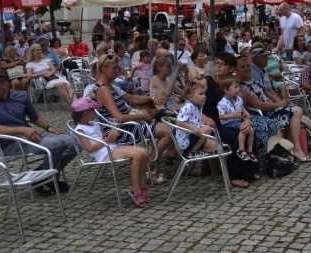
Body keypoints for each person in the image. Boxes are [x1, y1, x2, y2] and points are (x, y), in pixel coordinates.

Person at [0, 72, 77, 195]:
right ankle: (49, 178)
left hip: (29, 136)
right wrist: (22, 130)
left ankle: (41, 175)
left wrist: (48, 127)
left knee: (75, 142)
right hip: (9, 143)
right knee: (56, 144)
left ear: (5, 85)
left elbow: (34, 117)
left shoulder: (21, 96)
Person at [91, 53, 173, 183]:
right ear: (103, 69)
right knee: (168, 131)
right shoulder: (103, 90)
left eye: (118, 68)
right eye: (114, 68)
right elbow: (119, 118)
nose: (117, 71)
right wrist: (143, 116)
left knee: (168, 128)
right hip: (120, 131)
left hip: (126, 126)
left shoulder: (109, 86)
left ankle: (150, 164)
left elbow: (131, 98)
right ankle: (150, 165)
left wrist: (152, 98)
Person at [71, 97, 151, 207]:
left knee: (144, 152)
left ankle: (142, 185)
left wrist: (110, 138)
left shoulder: (93, 123)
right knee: (136, 155)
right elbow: (89, 148)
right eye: (93, 110)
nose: (96, 112)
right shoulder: (80, 129)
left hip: (110, 147)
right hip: (102, 153)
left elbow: (100, 137)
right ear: (85, 115)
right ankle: (135, 188)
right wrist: (107, 140)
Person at [201, 55, 259, 188]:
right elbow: (191, 102)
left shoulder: (233, 84)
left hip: (231, 121)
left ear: (231, 68)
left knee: (248, 130)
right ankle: (235, 175)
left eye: (222, 64)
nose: (218, 66)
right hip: (213, 123)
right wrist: (203, 117)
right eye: (217, 63)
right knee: (236, 136)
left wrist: (247, 121)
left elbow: (240, 108)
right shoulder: (207, 82)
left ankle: (251, 169)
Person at [237, 57, 310, 162]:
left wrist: (279, 101)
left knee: (293, 109)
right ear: (237, 70)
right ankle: (296, 149)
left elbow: (266, 92)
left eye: (248, 66)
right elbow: (258, 105)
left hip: (270, 108)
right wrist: (278, 104)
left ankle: (291, 149)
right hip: (262, 113)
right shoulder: (242, 86)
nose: (247, 69)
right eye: (242, 67)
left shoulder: (251, 79)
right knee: (296, 111)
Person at [175, 81, 219, 157]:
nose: (204, 96)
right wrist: (193, 128)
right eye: (200, 94)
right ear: (191, 97)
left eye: (204, 94)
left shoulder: (199, 106)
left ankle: (190, 154)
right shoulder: (188, 107)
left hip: (194, 136)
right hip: (186, 140)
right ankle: (193, 151)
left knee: (215, 147)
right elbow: (179, 122)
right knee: (207, 129)